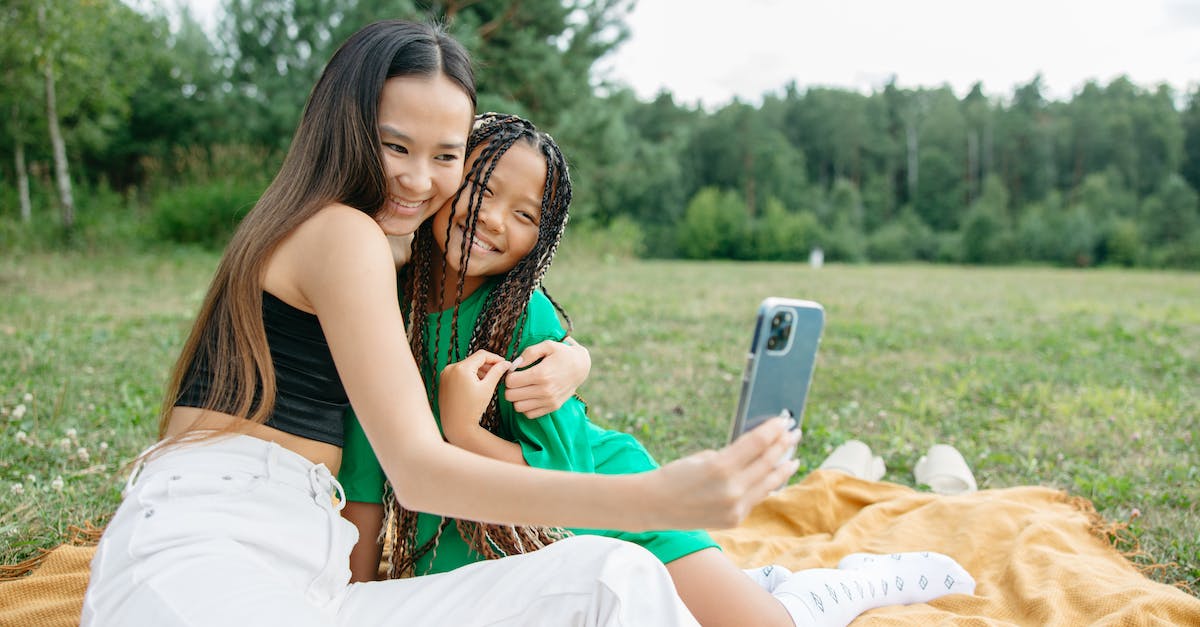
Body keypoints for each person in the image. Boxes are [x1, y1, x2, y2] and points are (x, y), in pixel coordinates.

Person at [80, 20, 803, 627]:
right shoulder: (340, 234)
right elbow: (419, 472)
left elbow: (491, 303)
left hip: (311, 578)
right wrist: (657, 496)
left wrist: (572, 354)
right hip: (209, 552)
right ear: (346, 126)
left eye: (446, 156)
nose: (420, 179)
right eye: (395, 146)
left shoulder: (381, 252)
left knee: (614, 577)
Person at [338, 113, 977, 627]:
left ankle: (842, 586)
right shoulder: (382, 304)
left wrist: (463, 432)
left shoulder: (525, 321)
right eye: (483, 187)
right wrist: (356, 595)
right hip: (482, 536)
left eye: (527, 214)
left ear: (544, 239)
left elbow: (570, 481)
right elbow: (368, 464)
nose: (494, 218)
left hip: (614, 509)